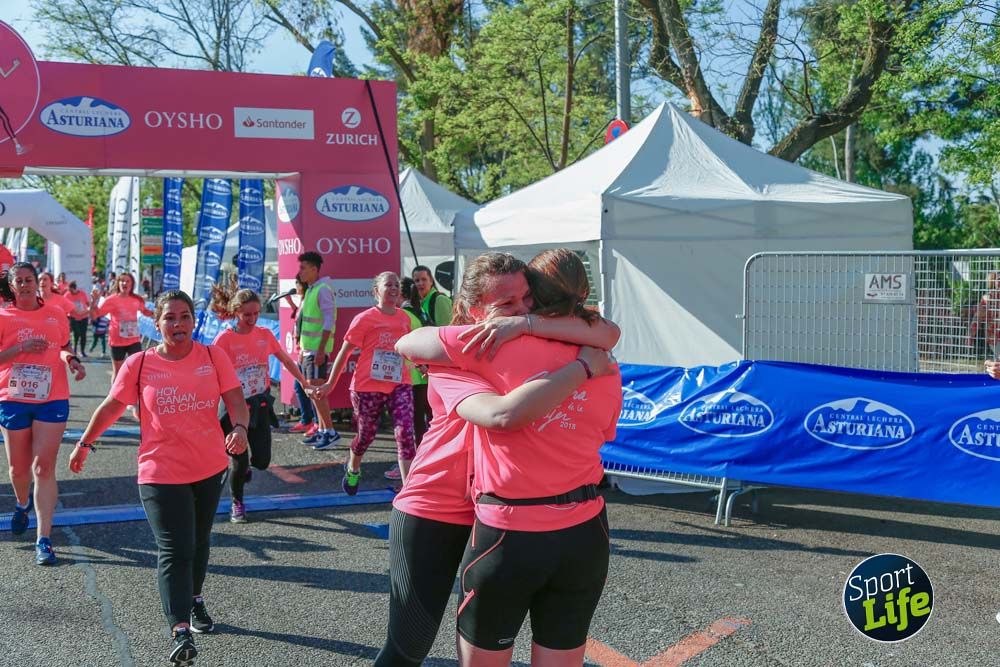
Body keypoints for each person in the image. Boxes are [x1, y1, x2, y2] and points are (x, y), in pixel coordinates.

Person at [378, 252, 619, 667]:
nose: (522, 309)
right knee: (408, 648)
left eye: (528, 298)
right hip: (436, 507)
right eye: (507, 303)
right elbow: (499, 414)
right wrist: (581, 366)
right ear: (475, 310)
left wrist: (525, 324)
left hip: (493, 510)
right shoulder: (463, 350)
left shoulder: (521, 338)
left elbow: (607, 331)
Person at [71, 289, 249, 667]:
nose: (178, 324)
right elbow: (112, 406)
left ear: (193, 320)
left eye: (185, 316)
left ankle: (195, 599)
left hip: (209, 466)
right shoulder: (138, 364)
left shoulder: (212, 357)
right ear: (157, 322)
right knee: (175, 548)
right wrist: (84, 444)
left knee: (199, 540)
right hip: (159, 470)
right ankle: (180, 630)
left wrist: (240, 428)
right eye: (170, 317)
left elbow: (235, 398)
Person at [0, 262, 86, 565]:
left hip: (52, 397)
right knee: (18, 470)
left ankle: (44, 539)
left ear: (37, 282)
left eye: (29, 279)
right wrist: (20, 348)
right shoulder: (3, 316)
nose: (24, 284)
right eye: (19, 280)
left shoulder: (56, 313)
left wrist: (72, 360)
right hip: (13, 398)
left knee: (43, 467)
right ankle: (22, 503)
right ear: (12, 286)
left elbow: (61, 346)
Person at [209, 284, 311, 523]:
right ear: (236, 312)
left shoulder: (264, 335)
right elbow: (210, 371)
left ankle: (246, 470)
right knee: (239, 459)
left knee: (262, 461)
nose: (252, 319)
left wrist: (304, 382)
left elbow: (286, 360)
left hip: (260, 403)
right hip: (234, 406)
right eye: (247, 314)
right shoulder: (225, 339)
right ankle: (237, 503)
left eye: (256, 313)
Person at [315, 272, 414, 494]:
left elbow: (406, 349)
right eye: (388, 284)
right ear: (376, 291)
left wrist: (420, 366)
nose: (394, 288)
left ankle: (408, 492)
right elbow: (345, 352)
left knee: (405, 434)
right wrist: (330, 384)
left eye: (396, 285)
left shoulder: (404, 318)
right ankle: (353, 468)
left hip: (399, 383)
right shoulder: (365, 318)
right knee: (365, 436)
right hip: (367, 386)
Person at [296, 251, 340, 449]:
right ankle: (322, 430)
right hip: (309, 351)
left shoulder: (322, 289)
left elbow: (329, 322)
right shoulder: (312, 290)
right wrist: (303, 349)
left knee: (317, 392)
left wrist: (321, 350)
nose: (300, 272)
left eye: (303, 268)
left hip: (316, 352)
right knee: (314, 393)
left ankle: (330, 432)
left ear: (314, 269)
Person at [91, 272, 154, 381]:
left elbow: (145, 311)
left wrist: (158, 313)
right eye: (122, 281)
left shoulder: (136, 299)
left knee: (137, 369)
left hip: (133, 339)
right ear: (118, 283)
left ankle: (133, 391)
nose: (125, 283)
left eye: (127, 281)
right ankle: (115, 391)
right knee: (118, 371)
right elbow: (95, 315)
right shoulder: (111, 299)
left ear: (132, 284)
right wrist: (94, 301)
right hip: (117, 340)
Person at [284, 278, 316, 435]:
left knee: (309, 388)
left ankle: (315, 422)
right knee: (300, 386)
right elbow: (298, 317)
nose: (295, 287)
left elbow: (307, 323)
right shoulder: (303, 301)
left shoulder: (309, 300)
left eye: (297, 284)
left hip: (307, 351)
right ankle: (307, 420)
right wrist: (290, 303)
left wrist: (303, 349)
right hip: (301, 350)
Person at [65, 281, 91, 357]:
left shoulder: (82, 293)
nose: (70, 292)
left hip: (84, 316)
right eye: (69, 290)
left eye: (71, 290)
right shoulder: (67, 295)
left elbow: (87, 303)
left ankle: (82, 351)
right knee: (76, 333)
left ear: (75, 288)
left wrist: (88, 310)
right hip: (73, 317)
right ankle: (75, 350)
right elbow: (64, 306)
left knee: (83, 335)